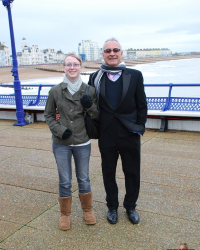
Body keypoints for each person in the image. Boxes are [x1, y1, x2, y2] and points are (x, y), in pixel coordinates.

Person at [88, 38, 147, 224]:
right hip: (106, 134)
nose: (111, 53)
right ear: (103, 54)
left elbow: (142, 105)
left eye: (115, 50)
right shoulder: (95, 77)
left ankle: (130, 206)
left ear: (121, 53)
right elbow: (91, 105)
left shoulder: (135, 75)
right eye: (107, 50)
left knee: (132, 172)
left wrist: (139, 127)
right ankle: (112, 207)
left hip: (129, 133)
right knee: (108, 173)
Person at [44, 53, 98, 231]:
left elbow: (97, 115)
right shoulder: (55, 91)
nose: (72, 67)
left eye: (75, 64)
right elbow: (49, 115)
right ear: (64, 67)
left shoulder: (89, 90)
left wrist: (89, 105)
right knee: (65, 180)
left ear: (80, 67)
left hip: (82, 141)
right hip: (61, 143)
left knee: (84, 178)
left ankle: (87, 210)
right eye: (68, 64)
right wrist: (60, 130)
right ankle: (65, 214)